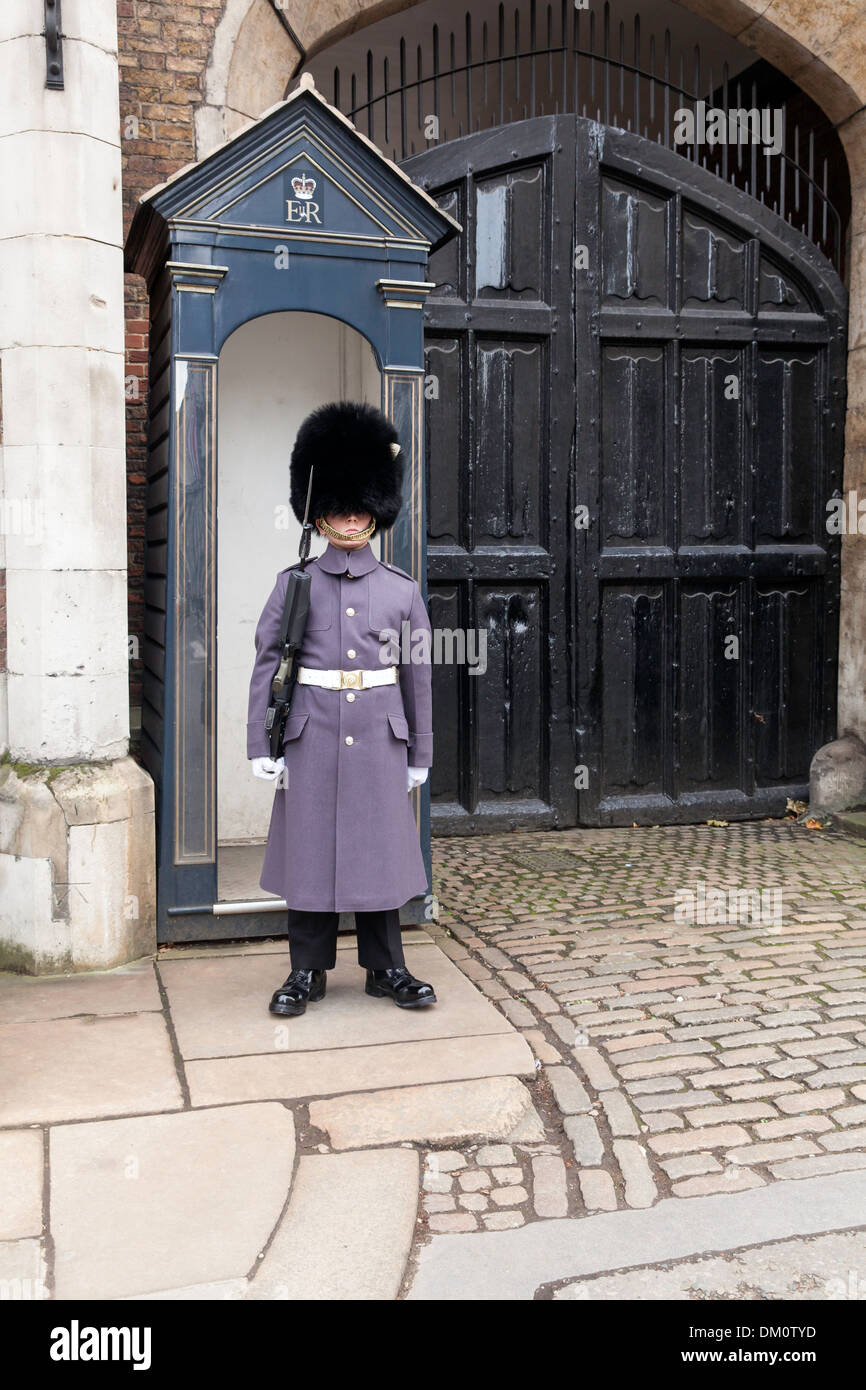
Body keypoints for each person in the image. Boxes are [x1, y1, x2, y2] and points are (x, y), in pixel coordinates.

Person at [246, 400, 437, 1016]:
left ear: (377, 511)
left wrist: (420, 753)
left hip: (380, 737)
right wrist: (261, 743)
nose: (352, 516)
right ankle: (306, 972)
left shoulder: (401, 591)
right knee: (310, 854)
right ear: (320, 510)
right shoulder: (293, 583)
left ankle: (387, 968)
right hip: (311, 732)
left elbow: (417, 675)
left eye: (361, 506)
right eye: (340, 505)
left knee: (380, 850)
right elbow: (268, 661)